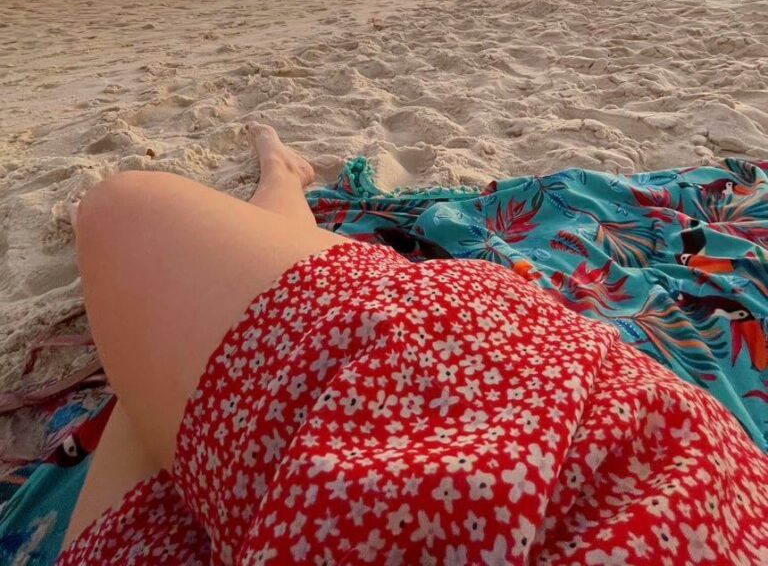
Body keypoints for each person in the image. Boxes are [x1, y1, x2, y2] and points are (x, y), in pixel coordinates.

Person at [57, 125, 768, 564]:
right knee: (152, 316)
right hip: (634, 482)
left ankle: (280, 185)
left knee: (123, 214)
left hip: (529, 448)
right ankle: (280, 184)